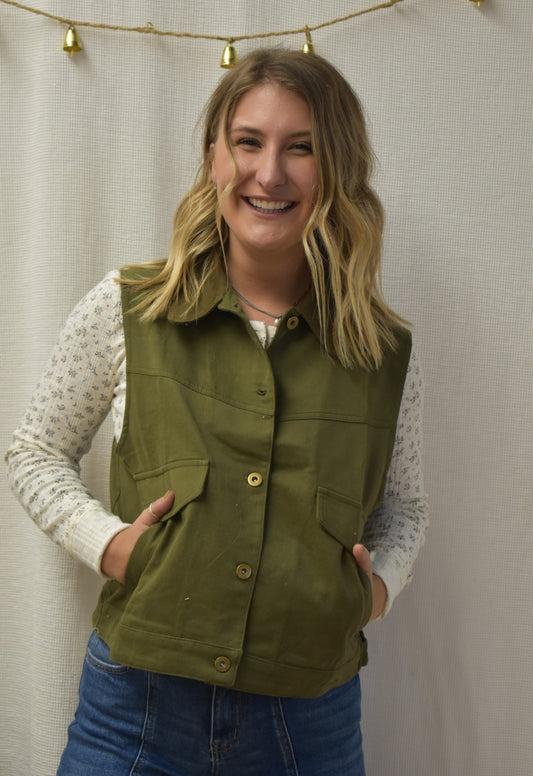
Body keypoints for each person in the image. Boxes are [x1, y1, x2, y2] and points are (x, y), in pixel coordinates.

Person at [6, 48, 429, 775]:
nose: (270, 173)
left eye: (301, 148)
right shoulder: (129, 307)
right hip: (133, 709)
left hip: (309, 725)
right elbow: (36, 449)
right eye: (248, 142)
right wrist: (110, 546)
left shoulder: (383, 351)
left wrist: (375, 590)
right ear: (213, 157)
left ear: (338, 168)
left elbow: (406, 506)